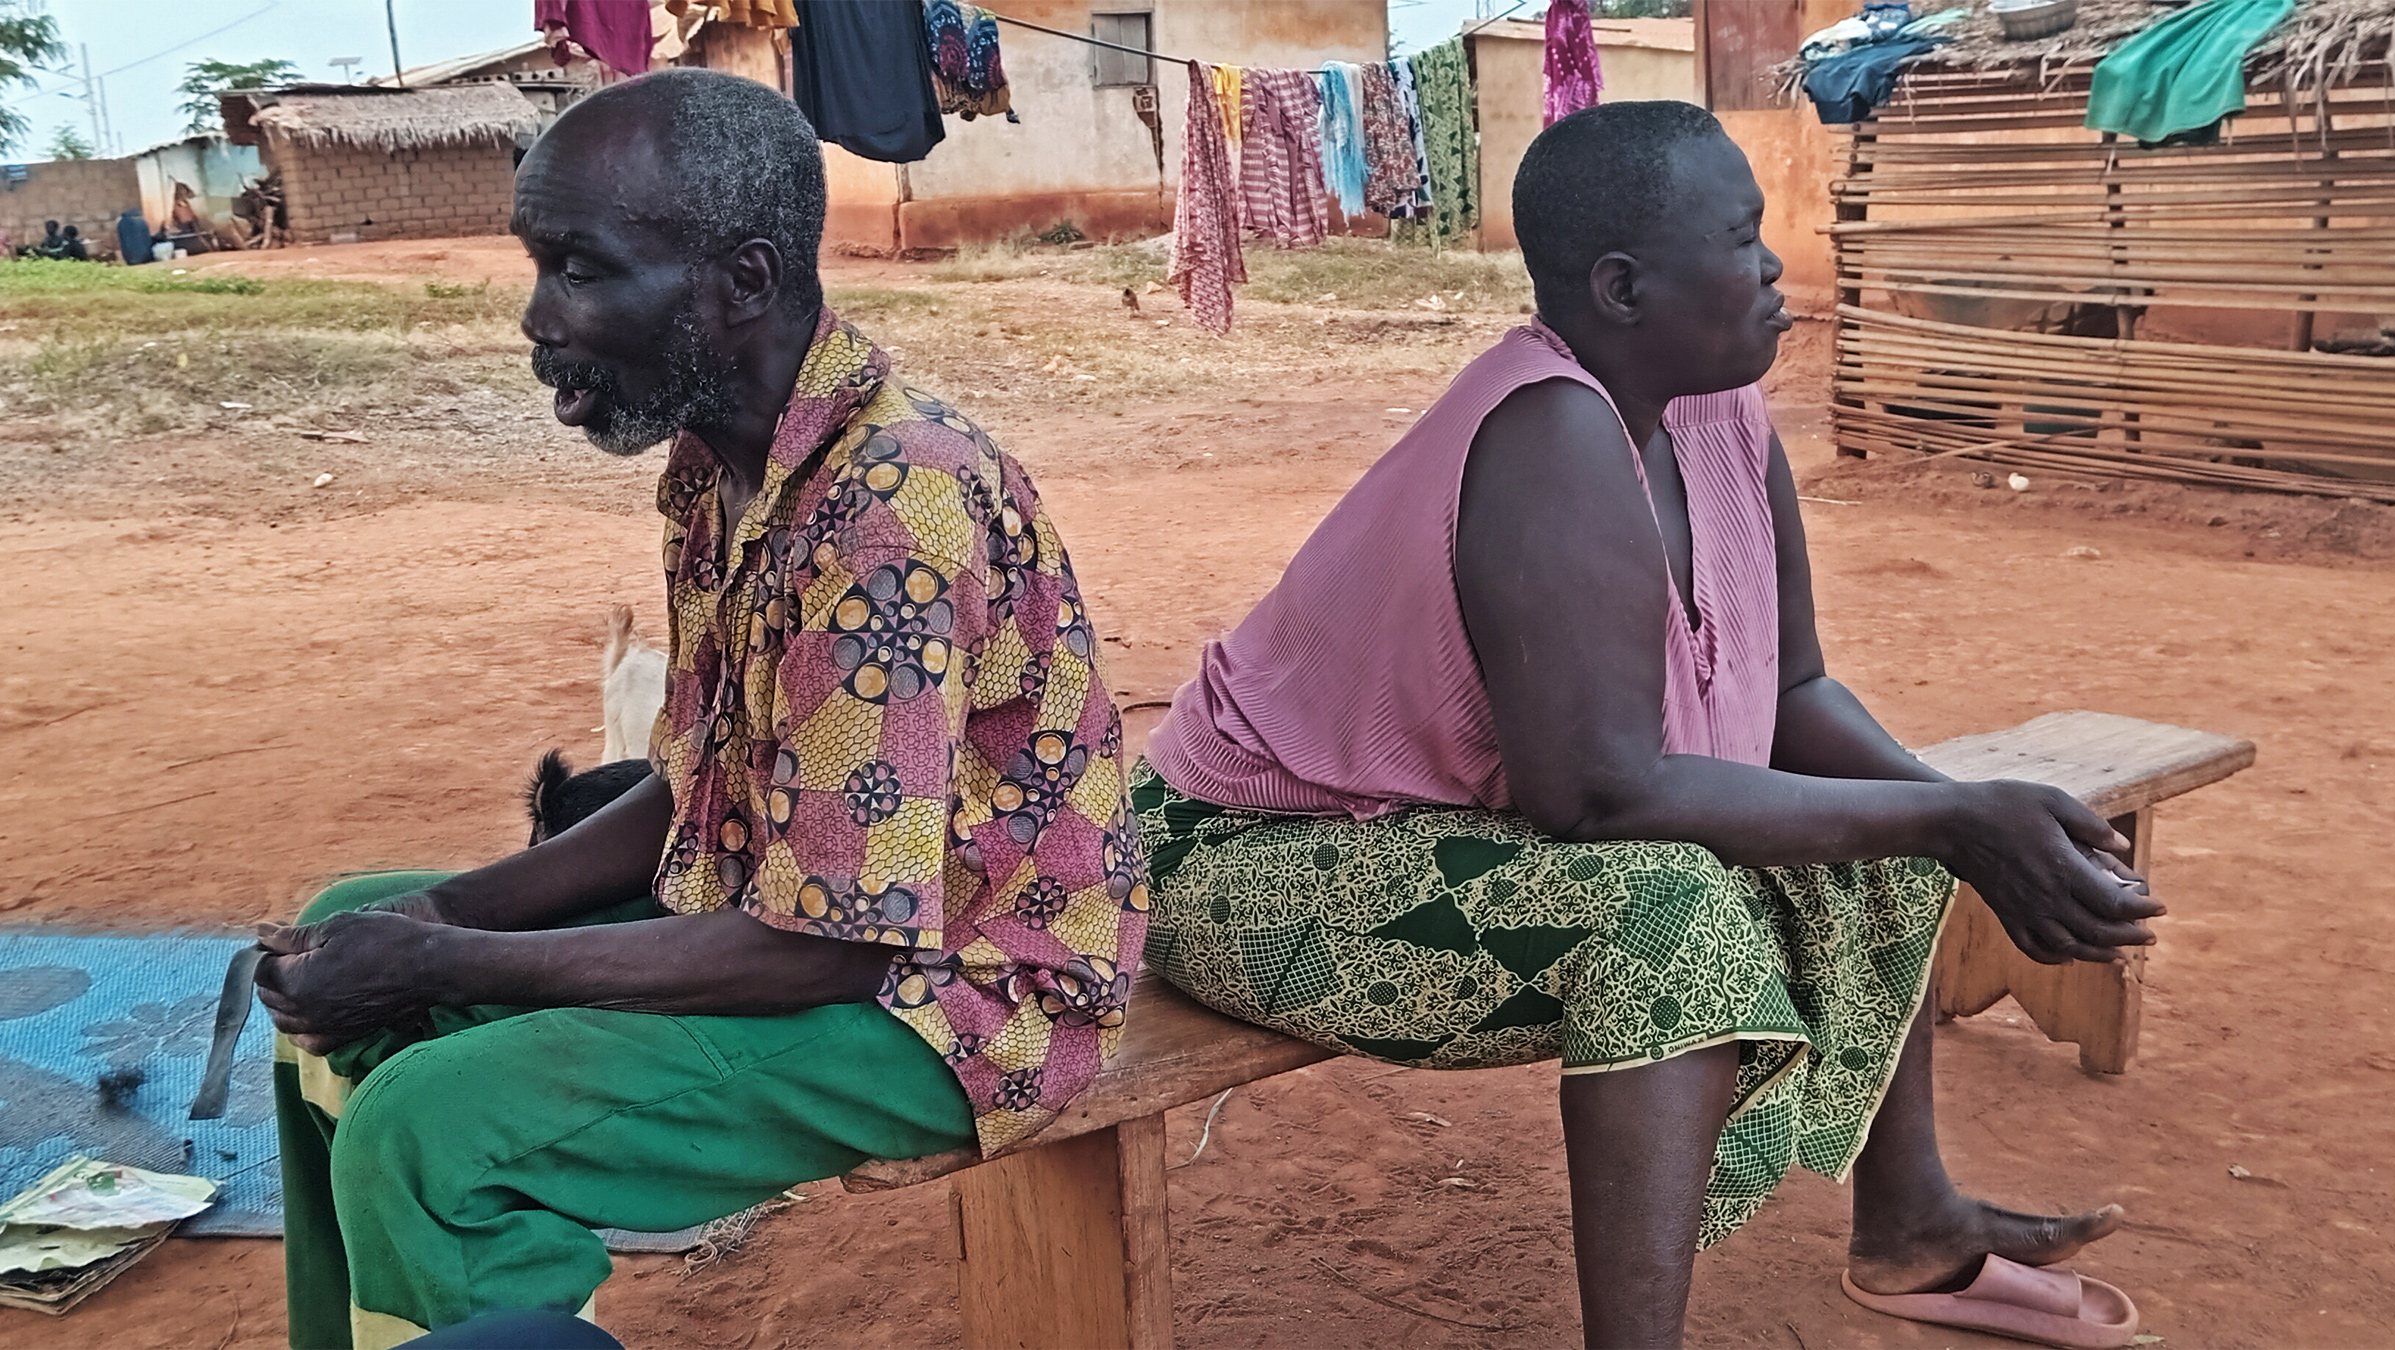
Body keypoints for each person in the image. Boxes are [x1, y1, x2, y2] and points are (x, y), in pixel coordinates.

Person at [1134, 102, 2153, 1349]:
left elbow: (1791, 696)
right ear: (1622, 288)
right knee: (1662, 909)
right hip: (1235, 859)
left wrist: (1959, 820)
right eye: (1741, 239)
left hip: (1433, 830)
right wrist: (1956, 814)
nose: (1776, 266)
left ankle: (1916, 1229)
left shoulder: (1720, 413)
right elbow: (1598, 797)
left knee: (1884, 838)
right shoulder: (1549, 434)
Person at [256, 69, 1144, 1350]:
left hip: (962, 998)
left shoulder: (889, 510)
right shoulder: (717, 468)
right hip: (792, 917)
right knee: (349, 921)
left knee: (432, 1130)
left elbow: (824, 944)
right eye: (539, 266)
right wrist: (437, 912)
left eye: (581, 269)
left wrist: (456, 958)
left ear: (742, 282)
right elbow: (687, 780)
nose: (536, 317)